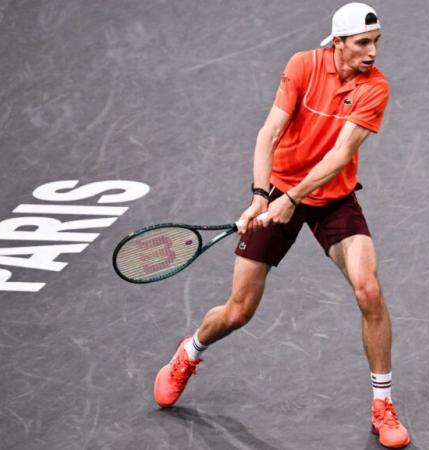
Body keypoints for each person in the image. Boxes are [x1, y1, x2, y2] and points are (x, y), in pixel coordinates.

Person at [153, 3, 410, 448]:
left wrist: (293, 200)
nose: (373, 52)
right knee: (239, 311)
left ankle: (382, 405)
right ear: (339, 42)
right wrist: (261, 195)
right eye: (363, 43)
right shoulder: (302, 65)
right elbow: (268, 133)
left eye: (376, 43)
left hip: (331, 198)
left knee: (368, 289)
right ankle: (189, 353)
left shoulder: (375, 89)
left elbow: (339, 156)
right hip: (279, 188)